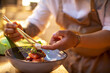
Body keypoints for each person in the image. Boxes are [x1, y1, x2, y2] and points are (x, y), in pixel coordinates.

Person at [4, 0, 110, 73]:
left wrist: (77, 40)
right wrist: (20, 30)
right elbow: (35, 24)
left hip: (100, 64)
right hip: (67, 61)